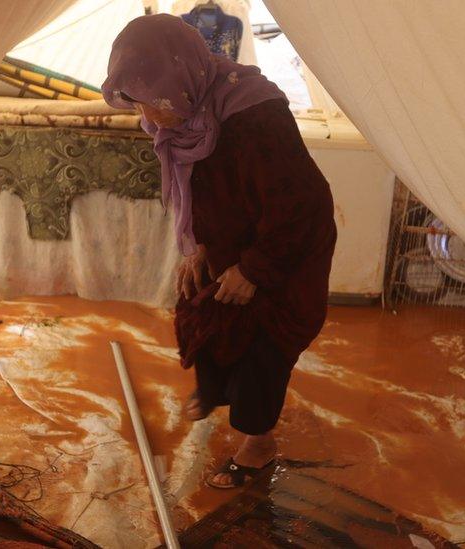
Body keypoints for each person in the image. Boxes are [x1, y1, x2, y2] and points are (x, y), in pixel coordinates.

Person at [102, 14, 336, 489]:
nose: (149, 119)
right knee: (205, 310)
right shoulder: (190, 115)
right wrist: (201, 248)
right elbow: (208, 191)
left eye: (154, 105)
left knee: (262, 350)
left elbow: (301, 204)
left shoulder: (255, 115)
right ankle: (212, 394)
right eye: (139, 106)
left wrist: (254, 269)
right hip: (235, 239)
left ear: (179, 82)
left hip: (287, 244)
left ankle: (258, 443)